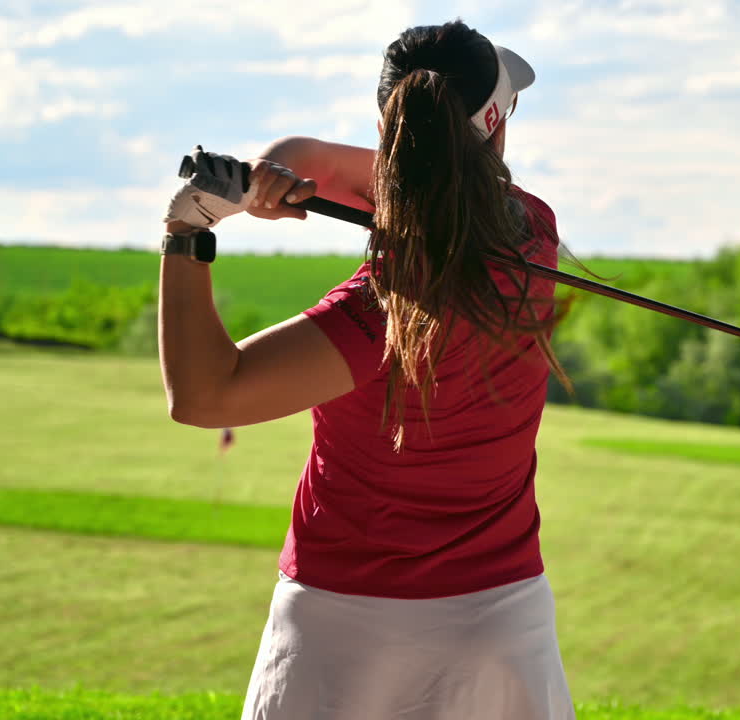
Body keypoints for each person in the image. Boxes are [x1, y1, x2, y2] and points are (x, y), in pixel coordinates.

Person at [158, 21, 575, 720]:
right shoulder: (533, 229)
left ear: (389, 128)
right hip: (502, 624)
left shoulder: (379, 316)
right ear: (495, 134)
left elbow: (205, 395)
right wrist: (274, 175)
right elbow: (348, 166)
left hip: (340, 628)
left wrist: (187, 232)